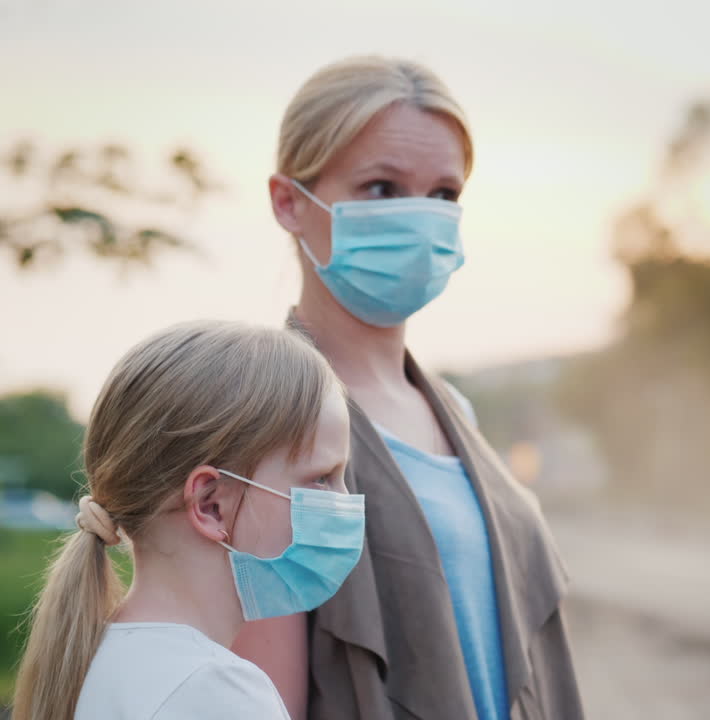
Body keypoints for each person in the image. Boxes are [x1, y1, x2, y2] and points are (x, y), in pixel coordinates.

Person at [236, 55, 583, 720]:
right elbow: (264, 699)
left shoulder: (454, 409)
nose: (418, 219)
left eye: (443, 195)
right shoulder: (268, 418)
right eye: (380, 188)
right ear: (288, 202)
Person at [12, 321, 364, 720]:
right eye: (321, 478)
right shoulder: (217, 691)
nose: (345, 502)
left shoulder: (90, 659)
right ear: (210, 504)